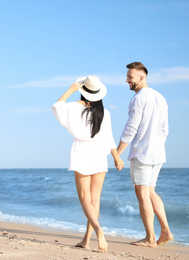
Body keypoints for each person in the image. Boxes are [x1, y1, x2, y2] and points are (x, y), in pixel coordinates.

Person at [52, 75, 124, 252]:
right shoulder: (105, 113)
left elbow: (56, 106)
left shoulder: (75, 108)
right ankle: (86, 239)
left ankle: (99, 231)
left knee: (85, 198)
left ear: (83, 92)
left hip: (82, 151)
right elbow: (109, 138)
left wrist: (71, 89)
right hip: (100, 153)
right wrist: (116, 157)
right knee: (95, 199)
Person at [117, 62, 173, 248]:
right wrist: (156, 144)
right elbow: (165, 129)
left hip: (142, 153)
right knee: (150, 192)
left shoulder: (138, 98)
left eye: (130, 77)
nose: (127, 80)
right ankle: (165, 231)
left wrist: (118, 154)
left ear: (142, 78)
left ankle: (150, 238)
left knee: (142, 195)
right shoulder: (161, 97)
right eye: (127, 77)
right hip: (158, 153)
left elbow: (130, 128)